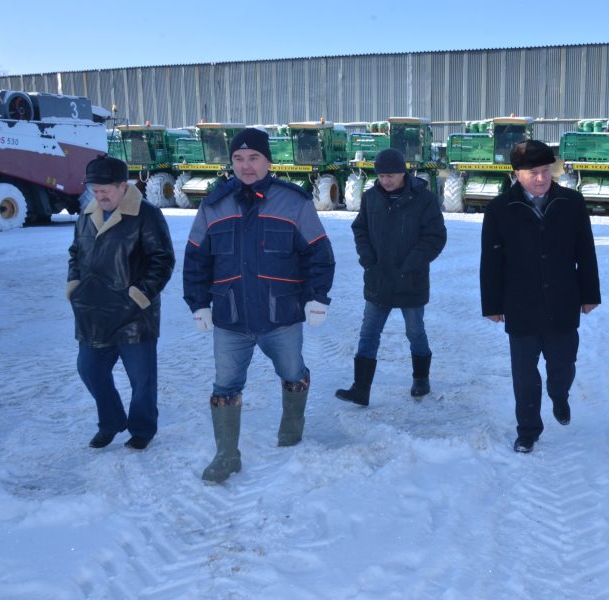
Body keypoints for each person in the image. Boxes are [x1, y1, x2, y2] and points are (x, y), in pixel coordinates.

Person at [183, 128, 335, 484]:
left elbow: (319, 254)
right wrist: (199, 303)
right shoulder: (212, 205)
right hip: (230, 316)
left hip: (280, 314)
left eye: (254, 158)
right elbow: (195, 260)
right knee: (225, 386)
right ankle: (226, 455)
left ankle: (291, 430)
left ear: (268, 161)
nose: (246, 166)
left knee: (293, 372)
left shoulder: (294, 202)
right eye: (238, 158)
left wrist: (317, 297)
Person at [480, 140, 600, 453]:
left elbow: (585, 252)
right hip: (520, 303)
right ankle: (528, 430)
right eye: (533, 172)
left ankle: (559, 395)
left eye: (546, 170)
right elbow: (491, 260)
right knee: (524, 375)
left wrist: (589, 294)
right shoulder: (499, 209)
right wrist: (492, 304)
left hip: (562, 300)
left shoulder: (571, 203)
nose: (541, 177)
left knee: (562, 366)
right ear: (517, 174)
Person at [68, 156, 175, 451]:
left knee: (141, 380)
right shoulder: (86, 216)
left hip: (133, 315)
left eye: (106, 190)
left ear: (123, 186)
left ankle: (142, 429)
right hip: (93, 312)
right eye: (94, 190)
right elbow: (75, 253)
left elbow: (162, 260)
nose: (99, 196)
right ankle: (112, 420)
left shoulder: (147, 215)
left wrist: (140, 294)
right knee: (89, 369)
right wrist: (73, 285)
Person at [336, 148, 446, 406]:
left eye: (391, 176)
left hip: (411, 279)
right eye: (382, 175)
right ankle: (360, 388)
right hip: (379, 279)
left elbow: (435, 236)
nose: (386, 181)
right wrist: (367, 259)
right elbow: (360, 229)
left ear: (403, 173)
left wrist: (412, 264)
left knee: (415, 331)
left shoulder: (424, 198)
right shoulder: (371, 197)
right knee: (368, 334)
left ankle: (421, 378)